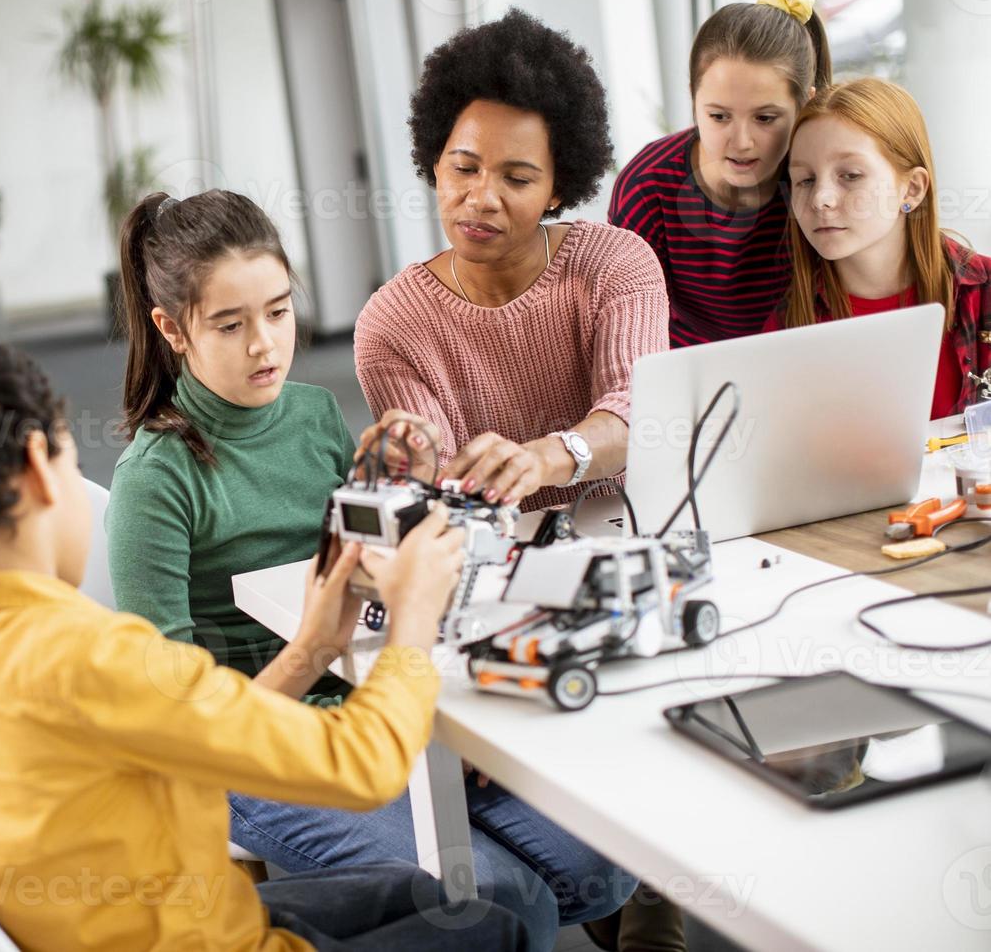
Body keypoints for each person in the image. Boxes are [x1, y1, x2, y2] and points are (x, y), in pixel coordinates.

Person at [0, 325, 526, 951]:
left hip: (144, 919)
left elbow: (187, 748)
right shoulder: (101, 657)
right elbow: (363, 766)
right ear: (37, 467)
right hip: (207, 936)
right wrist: (413, 617)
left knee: (435, 897)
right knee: (495, 921)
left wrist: (311, 648)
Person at [106, 188, 635, 952]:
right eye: (231, 324)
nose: (265, 345)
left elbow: (365, 580)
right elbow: (178, 731)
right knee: (498, 901)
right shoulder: (156, 480)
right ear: (171, 329)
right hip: (253, 747)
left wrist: (402, 492)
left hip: (363, 695)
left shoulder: (317, 414)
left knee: (600, 867)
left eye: (280, 312)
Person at [355, 8, 668, 515]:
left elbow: (638, 415)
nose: (481, 198)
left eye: (517, 179)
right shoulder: (391, 325)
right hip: (489, 559)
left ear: (556, 189)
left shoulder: (615, 264)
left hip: (626, 532)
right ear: (435, 162)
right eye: (463, 168)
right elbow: (438, 486)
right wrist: (410, 467)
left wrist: (545, 458)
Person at [609, 0, 832, 346]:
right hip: (687, 374)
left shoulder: (824, 181)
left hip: (803, 362)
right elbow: (629, 327)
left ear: (804, 106)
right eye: (718, 116)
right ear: (694, 100)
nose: (741, 143)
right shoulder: (646, 186)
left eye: (765, 118)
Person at [770, 76, 989, 418]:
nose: (820, 199)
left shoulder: (985, 293)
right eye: (805, 180)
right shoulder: (786, 329)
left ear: (912, 190)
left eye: (851, 175)